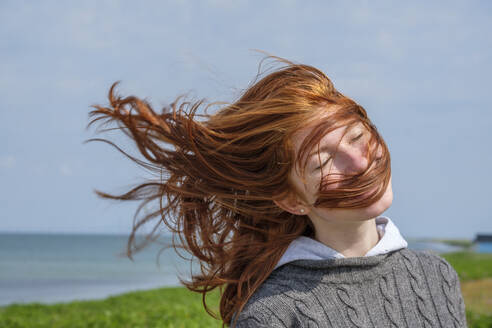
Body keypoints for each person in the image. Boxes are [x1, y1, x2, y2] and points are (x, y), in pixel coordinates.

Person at [87, 55, 467, 327]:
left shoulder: (435, 275)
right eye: (323, 162)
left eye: (357, 136)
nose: (360, 161)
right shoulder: (272, 314)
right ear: (291, 200)